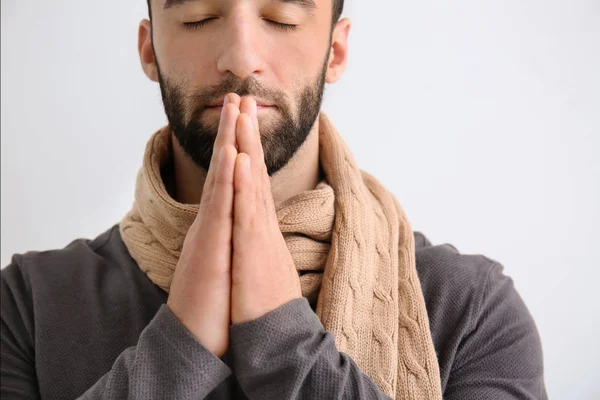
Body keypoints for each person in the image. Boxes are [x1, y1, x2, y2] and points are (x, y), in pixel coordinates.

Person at [1, 0, 548, 399]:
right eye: (198, 17)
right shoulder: (27, 304)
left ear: (334, 51)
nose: (240, 59)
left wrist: (279, 332)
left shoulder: (471, 310)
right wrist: (180, 342)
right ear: (150, 50)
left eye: (281, 19)